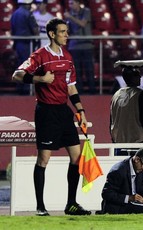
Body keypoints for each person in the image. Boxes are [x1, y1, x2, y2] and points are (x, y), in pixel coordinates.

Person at [11, 18, 91, 216]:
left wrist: (80, 110)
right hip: (46, 112)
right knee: (44, 159)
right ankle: (40, 207)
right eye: (63, 32)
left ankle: (71, 204)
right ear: (52, 34)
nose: (66, 35)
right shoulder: (39, 55)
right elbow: (17, 75)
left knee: (76, 157)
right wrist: (40, 79)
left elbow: (71, 86)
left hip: (64, 111)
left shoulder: (68, 57)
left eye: (66, 31)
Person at [101, 148, 143, 214]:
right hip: (120, 205)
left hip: (134, 201)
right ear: (137, 159)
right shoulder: (119, 170)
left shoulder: (139, 168)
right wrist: (129, 198)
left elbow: (141, 189)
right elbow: (106, 194)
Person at [110, 67, 143, 151]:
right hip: (138, 141)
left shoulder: (115, 95)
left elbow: (111, 120)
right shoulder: (141, 94)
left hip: (119, 142)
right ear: (131, 77)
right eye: (137, 75)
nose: (140, 77)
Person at [64, 0, 96, 94]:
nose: (70, 5)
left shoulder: (86, 11)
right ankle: (79, 91)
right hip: (74, 46)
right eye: (69, 3)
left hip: (87, 45)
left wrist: (71, 17)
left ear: (78, 3)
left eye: (72, 3)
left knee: (89, 70)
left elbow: (83, 23)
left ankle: (92, 91)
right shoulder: (69, 15)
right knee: (76, 71)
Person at [11, 0, 39, 95]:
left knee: (19, 67)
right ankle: (27, 89)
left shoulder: (14, 14)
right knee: (28, 67)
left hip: (18, 43)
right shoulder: (28, 14)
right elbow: (35, 30)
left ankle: (19, 87)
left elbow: (13, 29)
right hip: (27, 44)